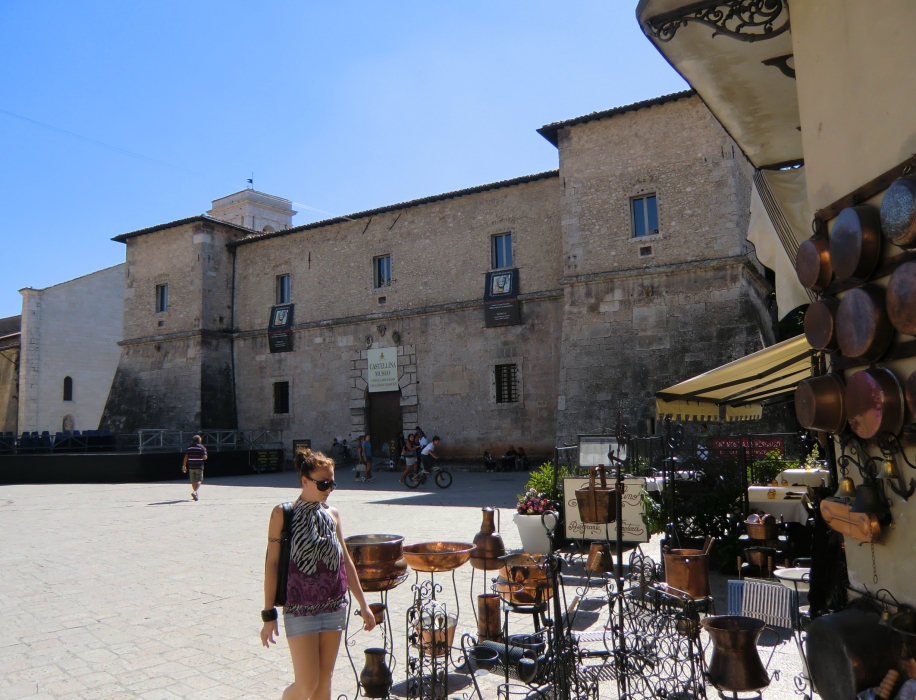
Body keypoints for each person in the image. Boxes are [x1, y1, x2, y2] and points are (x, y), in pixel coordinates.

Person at [261, 448, 375, 700]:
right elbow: (272, 563)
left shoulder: (332, 514)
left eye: (332, 483)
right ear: (304, 480)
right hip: (300, 607)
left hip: (334, 605)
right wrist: (268, 613)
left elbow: (345, 560)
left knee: (324, 684)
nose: (329, 489)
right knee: (307, 684)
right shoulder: (283, 513)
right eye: (323, 483)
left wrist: (363, 604)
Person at [181, 434, 207, 501]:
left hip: (191, 466)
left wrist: (184, 466)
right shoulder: (202, 448)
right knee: (199, 480)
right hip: (199, 466)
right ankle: (195, 492)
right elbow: (204, 457)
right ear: (199, 440)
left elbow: (186, 456)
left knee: (193, 480)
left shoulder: (189, 447)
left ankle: (195, 495)